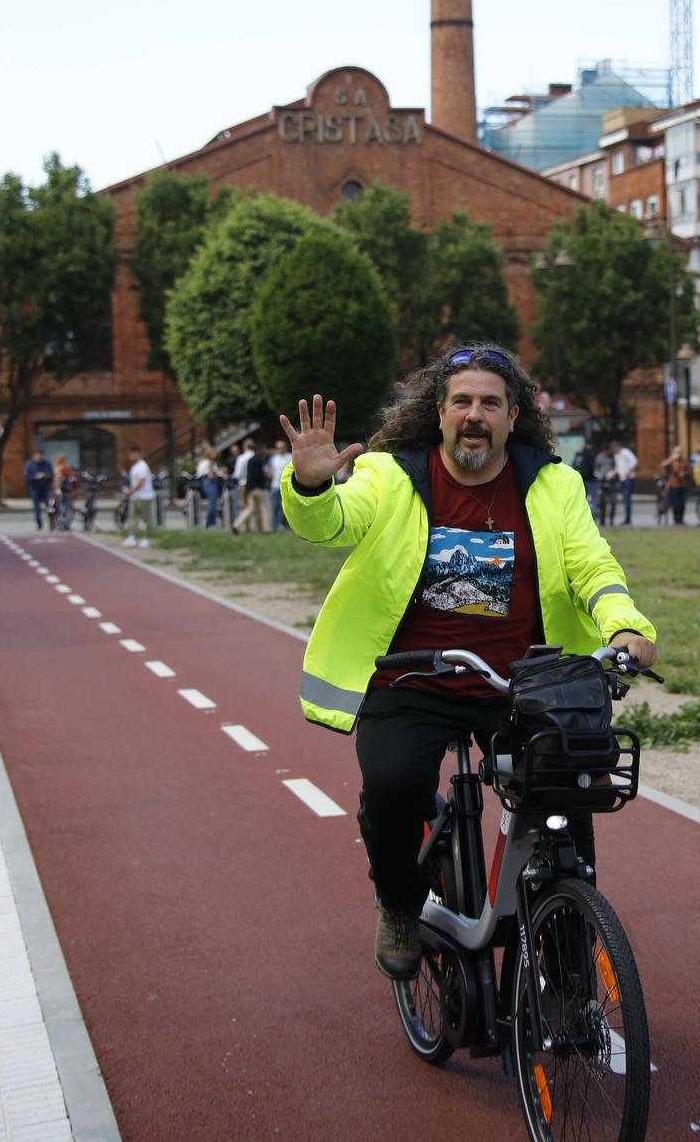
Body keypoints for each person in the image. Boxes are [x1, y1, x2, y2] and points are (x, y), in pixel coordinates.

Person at [277, 344, 657, 980]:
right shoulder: (390, 475)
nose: (474, 415)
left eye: (489, 403)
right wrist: (314, 485)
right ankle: (399, 901)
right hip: (411, 677)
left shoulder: (553, 485)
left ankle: (565, 970)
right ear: (439, 411)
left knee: (566, 797)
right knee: (396, 785)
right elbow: (333, 525)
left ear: (514, 417)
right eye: (462, 402)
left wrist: (625, 624)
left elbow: (592, 563)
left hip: (519, 683)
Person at [233, 439, 269, 534]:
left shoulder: (246, 459)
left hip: (248, 487)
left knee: (250, 508)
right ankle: (265, 528)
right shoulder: (258, 460)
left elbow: (239, 474)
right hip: (258, 487)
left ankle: (237, 524)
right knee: (264, 508)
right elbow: (259, 475)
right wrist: (264, 483)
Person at [122, 445, 154, 548]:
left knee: (146, 518)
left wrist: (131, 491)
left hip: (144, 496)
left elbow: (141, 482)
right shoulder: (134, 466)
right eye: (131, 454)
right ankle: (132, 537)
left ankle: (148, 539)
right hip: (135, 497)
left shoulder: (142, 466)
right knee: (133, 518)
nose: (132, 456)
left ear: (139, 454)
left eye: (134, 453)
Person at [611, 438, 638, 526]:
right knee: (625, 499)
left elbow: (634, 461)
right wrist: (613, 472)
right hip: (622, 479)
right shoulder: (617, 455)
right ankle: (626, 519)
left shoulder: (625, 452)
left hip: (628, 479)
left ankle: (628, 519)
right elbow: (618, 467)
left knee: (627, 499)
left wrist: (628, 470)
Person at [265, 439, 291, 532]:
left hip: (287, 487)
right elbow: (268, 469)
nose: (280, 449)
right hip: (275, 486)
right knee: (275, 506)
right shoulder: (273, 458)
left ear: (285, 448)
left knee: (288, 508)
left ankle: (289, 526)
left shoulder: (290, 457)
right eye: (278, 448)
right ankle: (276, 526)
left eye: (282, 447)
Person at [25, 450, 54, 529]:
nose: (39, 458)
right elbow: (27, 476)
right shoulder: (30, 464)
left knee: (50, 506)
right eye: (37, 456)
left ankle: (52, 523)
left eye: (41, 456)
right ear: (34, 456)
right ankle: (39, 524)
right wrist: (35, 476)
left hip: (46, 489)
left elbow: (51, 475)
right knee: (37, 508)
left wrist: (46, 475)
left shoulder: (47, 464)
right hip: (35, 489)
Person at [661, 445, 690, 526]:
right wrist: (672, 458)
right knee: (676, 503)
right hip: (673, 484)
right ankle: (676, 519)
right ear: (673, 452)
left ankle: (681, 519)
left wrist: (684, 474)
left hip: (683, 484)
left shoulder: (684, 461)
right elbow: (662, 465)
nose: (679, 454)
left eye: (680, 452)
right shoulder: (671, 461)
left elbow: (689, 471)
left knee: (682, 503)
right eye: (677, 452)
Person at [197, 444, 222, 528]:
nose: (216, 455)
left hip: (210, 483)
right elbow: (210, 475)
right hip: (209, 483)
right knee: (213, 503)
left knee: (214, 503)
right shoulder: (207, 463)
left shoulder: (211, 463)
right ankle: (209, 522)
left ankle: (213, 521)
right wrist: (218, 474)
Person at [591, 444, 616, 526]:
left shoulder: (613, 458)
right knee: (602, 503)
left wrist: (612, 474)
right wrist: (600, 476)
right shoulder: (599, 457)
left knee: (613, 502)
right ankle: (602, 521)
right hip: (602, 483)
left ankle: (611, 520)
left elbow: (615, 468)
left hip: (611, 482)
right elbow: (596, 470)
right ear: (606, 450)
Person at [51, 454, 76, 530]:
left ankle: (59, 524)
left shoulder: (55, 468)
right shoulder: (63, 468)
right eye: (65, 460)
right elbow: (73, 478)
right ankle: (65, 524)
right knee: (67, 508)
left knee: (59, 508)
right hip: (64, 491)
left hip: (57, 491)